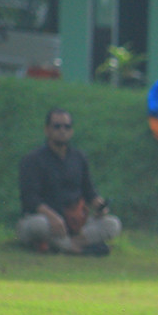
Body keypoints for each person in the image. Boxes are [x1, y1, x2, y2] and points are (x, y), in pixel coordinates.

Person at [16, 108, 121, 255]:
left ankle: (65, 245)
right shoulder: (33, 160)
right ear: (47, 130)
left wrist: (99, 206)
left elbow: (89, 192)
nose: (62, 131)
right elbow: (30, 199)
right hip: (46, 220)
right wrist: (53, 217)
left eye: (67, 127)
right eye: (57, 126)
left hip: (73, 223)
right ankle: (78, 248)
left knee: (112, 224)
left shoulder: (79, 158)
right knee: (38, 226)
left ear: (71, 131)